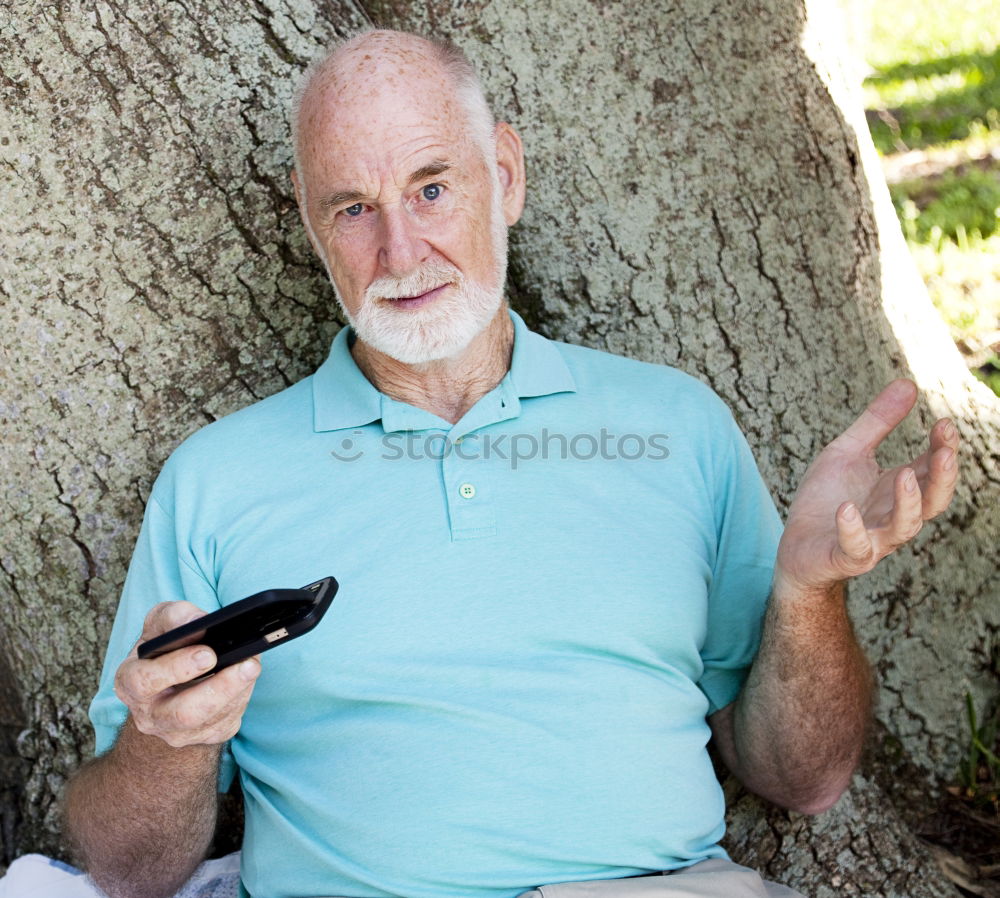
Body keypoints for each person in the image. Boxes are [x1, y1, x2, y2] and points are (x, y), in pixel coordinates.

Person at [62, 28, 960, 898]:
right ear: (310, 220)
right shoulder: (216, 479)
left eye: (432, 189)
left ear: (504, 177)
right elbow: (131, 873)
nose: (401, 252)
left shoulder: (675, 424)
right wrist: (164, 739)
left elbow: (803, 781)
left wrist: (809, 595)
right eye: (353, 209)